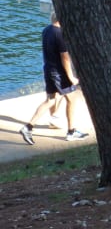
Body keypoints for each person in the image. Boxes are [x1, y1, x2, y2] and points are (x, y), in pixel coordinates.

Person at [20, 11, 89, 145]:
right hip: (59, 73)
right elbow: (65, 58)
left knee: (51, 100)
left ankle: (28, 127)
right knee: (72, 99)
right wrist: (71, 77)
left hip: (49, 69)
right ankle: (71, 132)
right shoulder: (60, 34)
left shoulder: (46, 30)